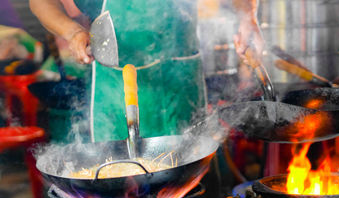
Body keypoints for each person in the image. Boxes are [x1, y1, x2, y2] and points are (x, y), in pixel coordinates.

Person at [29, 0, 264, 143]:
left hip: (181, 84)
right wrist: (72, 32)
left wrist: (248, 17)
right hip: (114, 89)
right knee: (122, 186)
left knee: (191, 182)